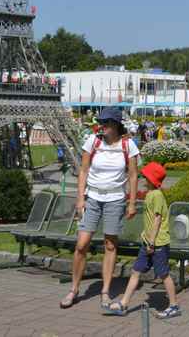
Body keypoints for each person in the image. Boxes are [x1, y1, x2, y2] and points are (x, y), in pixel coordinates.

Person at [61, 107, 139, 311]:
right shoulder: (93, 142)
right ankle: (74, 289)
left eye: (105, 123)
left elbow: (132, 175)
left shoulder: (127, 145)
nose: (101, 126)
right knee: (81, 244)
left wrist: (131, 202)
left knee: (110, 246)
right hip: (93, 197)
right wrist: (80, 198)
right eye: (101, 123)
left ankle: (105, 290)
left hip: (115, 198)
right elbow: (83, 171)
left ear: (115, 125)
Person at [104, 161, 180, 319]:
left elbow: (157, 219)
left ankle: (174, 306)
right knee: (136, 271)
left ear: (152, 179)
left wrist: (151, 241)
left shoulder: (157, 195)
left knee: (164, 274)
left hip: (157, 243)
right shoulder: (151, 194)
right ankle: (124, 303)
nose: (144, 179)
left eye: (146, 176)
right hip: (148, 242)